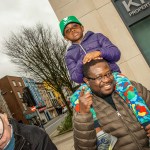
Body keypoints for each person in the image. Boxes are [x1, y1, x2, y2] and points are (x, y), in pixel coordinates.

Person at [73, 59, 150, 150]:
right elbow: (83, 148)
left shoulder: (133, 88)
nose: (106, 80)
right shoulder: (82, 107)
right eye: (99, 77)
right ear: (87, 81)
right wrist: (84, 115)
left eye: (108, 74)